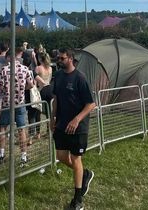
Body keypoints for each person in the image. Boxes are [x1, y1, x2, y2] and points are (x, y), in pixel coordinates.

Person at [51, 48, 95, 210]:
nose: (59, 61)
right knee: (61, 156)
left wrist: (77, 119)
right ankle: (85, 173)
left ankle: (78, 200)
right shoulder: (59, 76)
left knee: (76, 159)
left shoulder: (80, 78)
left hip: (78, 127)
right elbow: (56, 98)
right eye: (58, 58)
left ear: (70, 59)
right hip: (61, 124)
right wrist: (52, 118)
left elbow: (91, 104)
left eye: (62, 58)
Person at [0, 49, 34, 166]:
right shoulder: (25, 69)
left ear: (8, 58)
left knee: (3, 128)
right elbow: (31, 85)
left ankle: (1, 153)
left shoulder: (4, 70)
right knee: (21, 129)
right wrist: (23, 89)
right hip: (20, 103)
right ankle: (23, 156)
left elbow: (1, 88)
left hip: (7, 104)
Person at [35, 52, 53, 119]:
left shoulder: (38, 68)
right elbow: (50, 79)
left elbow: (35, 81)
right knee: (49, 109)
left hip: (41, 89)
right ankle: (49, 126)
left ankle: (38, 127)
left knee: (38, 109)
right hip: (49, 88)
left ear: (40, 59)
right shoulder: (50, 68)